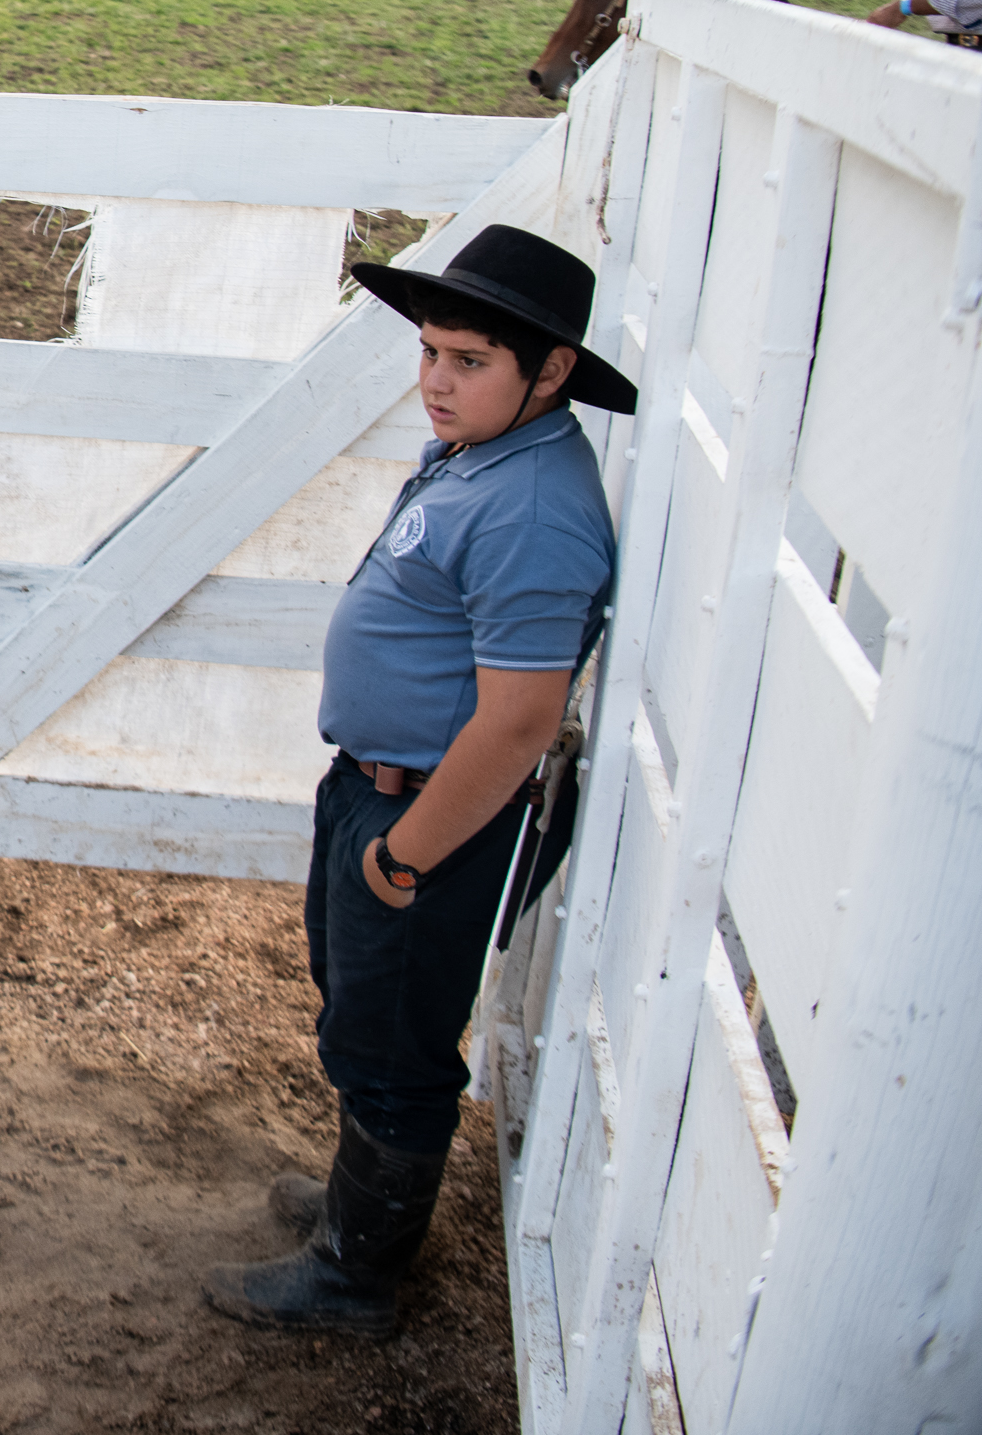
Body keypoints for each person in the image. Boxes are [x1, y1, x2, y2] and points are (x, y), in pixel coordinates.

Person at [204, 225, 633, 1339]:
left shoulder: (534, 507)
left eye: (470, 360)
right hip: (379, 788)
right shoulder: (482, 455)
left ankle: (355, 1276)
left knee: (396, 1040)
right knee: (364, 1012)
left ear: (553, 370)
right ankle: (361, 1209)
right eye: (431, 351)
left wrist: (407, 854)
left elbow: (521, 715)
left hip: (431, 813)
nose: (437, 380)